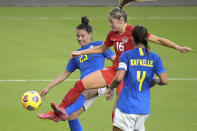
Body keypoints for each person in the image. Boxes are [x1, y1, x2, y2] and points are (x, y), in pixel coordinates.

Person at [40, 2, 193, 122]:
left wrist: (178, 47)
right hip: (115, 71)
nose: (109, 25)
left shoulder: (135, 32)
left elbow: (158, 39)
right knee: (80, 85)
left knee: (117, 116)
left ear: (121, 20)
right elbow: (101, 49)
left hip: (128, 76)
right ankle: (58, 112)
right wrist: (81, 52)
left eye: (111, 22)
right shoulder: (112, 34)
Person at [37, 16, 115, 130]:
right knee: (73, 116)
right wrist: (48, 87)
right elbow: (65, 74)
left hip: (100, 82)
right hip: (85, 85)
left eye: (83, 36)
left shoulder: (99, 45)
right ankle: (63, 112)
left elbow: (115, 61)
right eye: (77, 36)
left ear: (90, 34)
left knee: (83, 94)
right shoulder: (76, 54)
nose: (79, 39)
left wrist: (112, 85)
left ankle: (61, 113)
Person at [105, 25, 168, 131]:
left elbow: (119, 78)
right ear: (146, 39)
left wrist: (110, 88)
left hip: (126, 107)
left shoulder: (126, 55)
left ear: (132, 38)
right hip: (143, 108)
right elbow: (164, 80)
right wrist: (154, 81)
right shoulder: (155, 58)